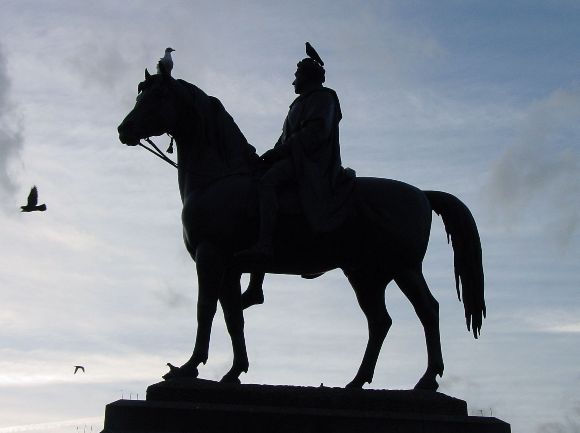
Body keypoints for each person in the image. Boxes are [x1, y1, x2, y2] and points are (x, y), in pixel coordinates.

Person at [238, 43, 355, 261]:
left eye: (296, 76)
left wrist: (280, 152)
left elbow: (315, 133)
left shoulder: (323, 98)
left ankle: (265, 243)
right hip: (296, 157)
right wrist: (270, 154)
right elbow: (285, 138)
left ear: (307, 76)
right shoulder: (299, 103)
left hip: (311, 163)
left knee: (267, 183)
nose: (293, 81)